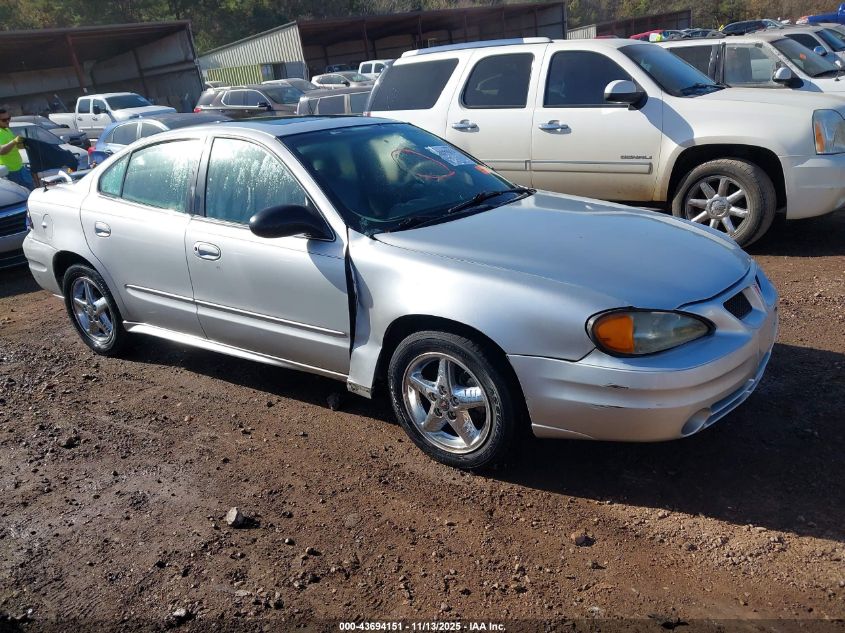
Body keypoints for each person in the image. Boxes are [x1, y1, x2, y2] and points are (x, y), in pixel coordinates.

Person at [0, 108, 34, 190]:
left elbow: (13, 147)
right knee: (22, 196)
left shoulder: (7, 130)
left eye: (9, 118)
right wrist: (14, 141)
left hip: (20, 167)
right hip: (9, 172)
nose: (8, 121)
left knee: (31, 191)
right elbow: (1, 151)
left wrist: (22, 144)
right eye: (4, 120)